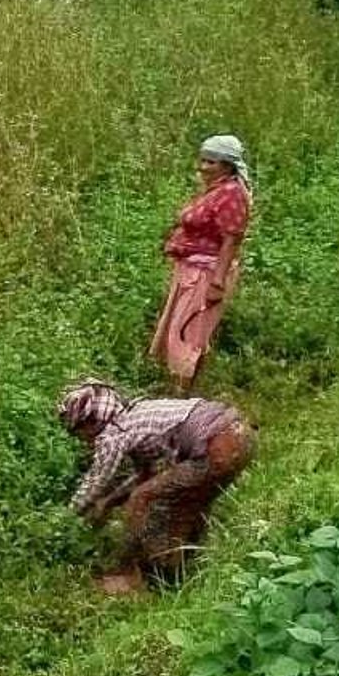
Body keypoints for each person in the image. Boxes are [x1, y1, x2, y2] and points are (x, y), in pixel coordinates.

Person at [58, 379, 256, 595]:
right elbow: (145, 475)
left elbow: (95, 482)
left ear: (90, 422)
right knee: (188, 505)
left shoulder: (114, 433)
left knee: (140, 500)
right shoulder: (137, 414)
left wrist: (66, 519)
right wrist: (109, 501)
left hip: (215, 445)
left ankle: (133, 574)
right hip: (240, 436)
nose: (83, 440)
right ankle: (180, 574)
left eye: (78, 432)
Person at [150, 134, 253, 389]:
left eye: (211, 162)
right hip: (191, 272)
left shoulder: (232, 194)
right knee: (183, 333)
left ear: (227, 165)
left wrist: (217, 282)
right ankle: (180, 394)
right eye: (203, 160)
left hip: (206, 274)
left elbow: (231, 239)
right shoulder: (216, 190)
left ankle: (181, 399)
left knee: (186, 335)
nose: (203, 167)